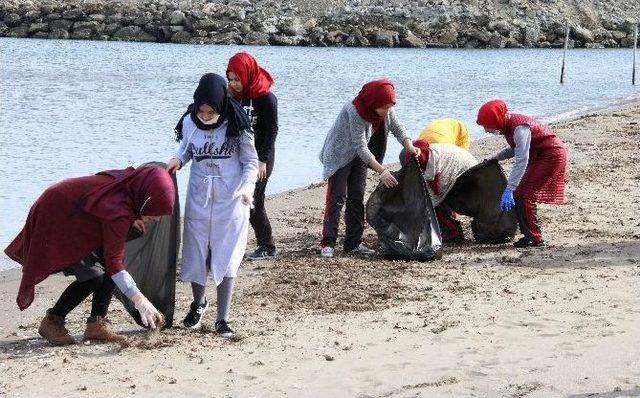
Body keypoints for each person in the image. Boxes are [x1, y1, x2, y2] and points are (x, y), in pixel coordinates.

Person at [4, 166, 175, 346]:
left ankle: (96, 325)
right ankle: (53, 320)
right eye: (155, 212)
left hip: (81, 212)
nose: (157, 219)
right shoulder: (118, 211)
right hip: (59, 216)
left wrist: (134, 216)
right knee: (93, 277)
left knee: (113, 266)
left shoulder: (131, 185)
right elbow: (114, 264)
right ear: (145, 200)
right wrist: (141, 301)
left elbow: (115, 260)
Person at [168, 73, 258, 337]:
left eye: (211, 111)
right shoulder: (189, 122)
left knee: (226, 255)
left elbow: (251, 161)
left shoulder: (237, 124)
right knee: (196, 253)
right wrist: (178, 160)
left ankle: (223, 318)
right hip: (199, 196)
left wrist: (246, 188)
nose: (206, 116)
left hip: (230, 199)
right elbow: (186, 148)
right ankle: (198, 303)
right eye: (202, 111)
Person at [319, 79, 419, 257]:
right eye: (384, 107)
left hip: (359, 157)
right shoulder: (354, 110)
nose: (387, 111)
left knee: (357, 198)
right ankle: (328, 243)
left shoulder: (385, 108)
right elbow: (361, 146)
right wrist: (382, 171)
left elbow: (398, 128)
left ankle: (353, 244)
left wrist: (409, 145)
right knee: (336, 198)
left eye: (389, 107)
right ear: (374, 102)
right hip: (339, 155)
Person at [476, 99, 567, 247]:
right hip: (539, 156)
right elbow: (515, 149)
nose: (486, 130)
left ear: (496, 120)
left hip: (551, 155)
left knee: (524, 195)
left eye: (487, 126)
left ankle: (536, 238)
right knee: (521, 195)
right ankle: (529, 235)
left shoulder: (519, 128)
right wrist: (494, 157)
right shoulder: (508, 126)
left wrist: (510, 187)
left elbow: (521, 159)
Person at [226, 52, 279, 261]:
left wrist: (262, 160)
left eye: (238, 79)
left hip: (260, 157)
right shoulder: (229, 95)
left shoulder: (266, 98)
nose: (234, 83)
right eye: (230, 79)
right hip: (235, 155)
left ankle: (267, 244)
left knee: (254, 198)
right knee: (231, 199)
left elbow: (272, 130)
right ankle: (229, 244)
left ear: (247, 74)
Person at [400, 139, 478, 243]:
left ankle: (453, 233)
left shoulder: (433, 163)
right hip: (462, 171)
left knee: (437, 204)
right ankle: (447, 229)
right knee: (432, 201)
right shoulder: (428, 155)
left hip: (470, 174)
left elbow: (437, 195)